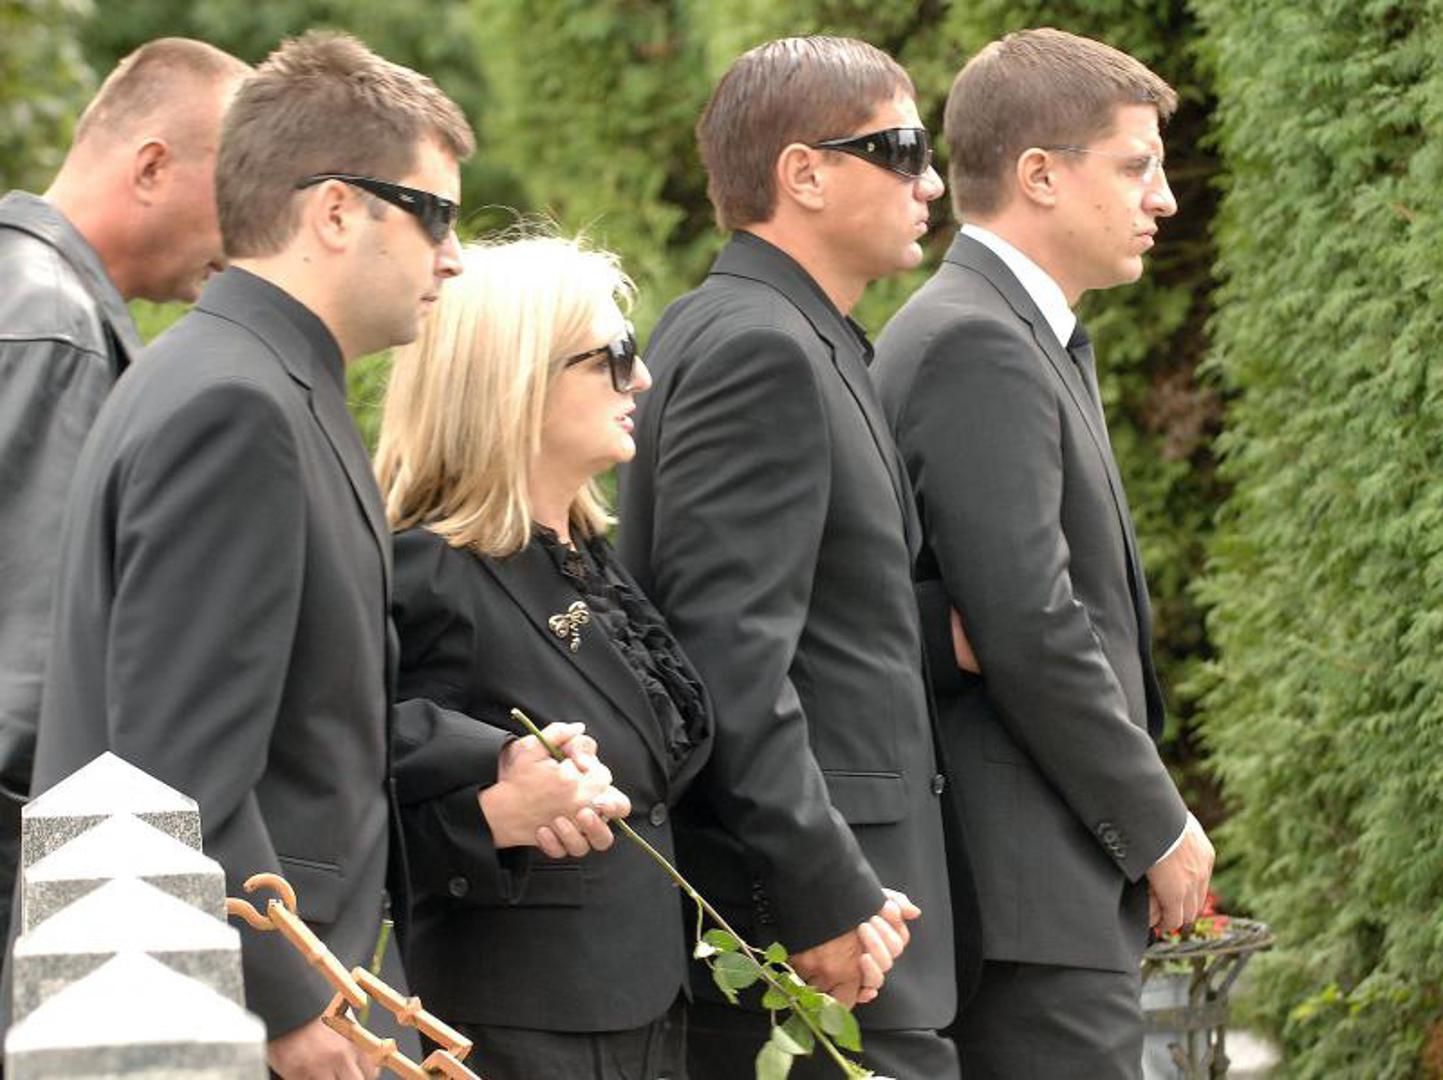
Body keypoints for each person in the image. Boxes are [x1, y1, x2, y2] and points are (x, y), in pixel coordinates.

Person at [28, 32, 619, 1079]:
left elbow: (303, 708)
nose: (453, 256)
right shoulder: (235, 405)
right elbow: (174, 765)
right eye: (434, 214)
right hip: (213, 1016)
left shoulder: (253, 380)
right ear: (337, 210)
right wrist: (292, 1005)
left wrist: (480, 754)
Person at [617, 35, 974, 1080]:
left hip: (857, 921)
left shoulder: (785, 331)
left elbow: (821, 616)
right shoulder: (760, 347)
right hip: (828, 942)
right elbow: (726, 657)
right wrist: (819, 895)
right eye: (901, 150)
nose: (930, 181)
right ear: (803, 173)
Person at [871, 27, 1216, 1078]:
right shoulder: (978, 339)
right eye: (1136, 166)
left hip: (1046, 887)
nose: (1163, 198)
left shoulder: (1019, 331)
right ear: (1039, 176)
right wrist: (1157, 826)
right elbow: (1027, 623)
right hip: (1027, 898)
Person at [374, 234, 713, 1080]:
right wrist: (489, 817)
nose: (642, 379)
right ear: (517, 378)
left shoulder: (584, 557)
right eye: (615, 356)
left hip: (645, 1013)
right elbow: (340, 773)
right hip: (519, 1029)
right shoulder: (429, 572)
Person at [0, 36, 249, 950]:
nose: (244, 235)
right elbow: (26, 682)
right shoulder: (53, 325)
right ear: (151, 166)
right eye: (234, 196)